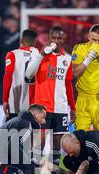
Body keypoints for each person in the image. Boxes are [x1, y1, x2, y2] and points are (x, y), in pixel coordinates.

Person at [25, 26, 76, 165]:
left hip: (60, 107)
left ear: (63, 39)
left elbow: (68, 84)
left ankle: (54, 171)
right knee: (39, 140)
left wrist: (73, 107)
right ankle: (34, 170)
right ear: (49, 39)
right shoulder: (39, 56)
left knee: (57, 142)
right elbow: (28, 74)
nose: (56, 41)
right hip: (42, 108)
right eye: (53, 38)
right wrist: (41, 55)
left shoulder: (67, 58)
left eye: (59, 38)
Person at [2, 29, 39, 121]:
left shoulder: (12, 55)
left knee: (12, 133)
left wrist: (5, 100)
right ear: (35, 42)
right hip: (36, 102)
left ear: (21, 41)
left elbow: (7, 77)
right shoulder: (39, 55)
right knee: (36, 134)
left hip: (16, 101)